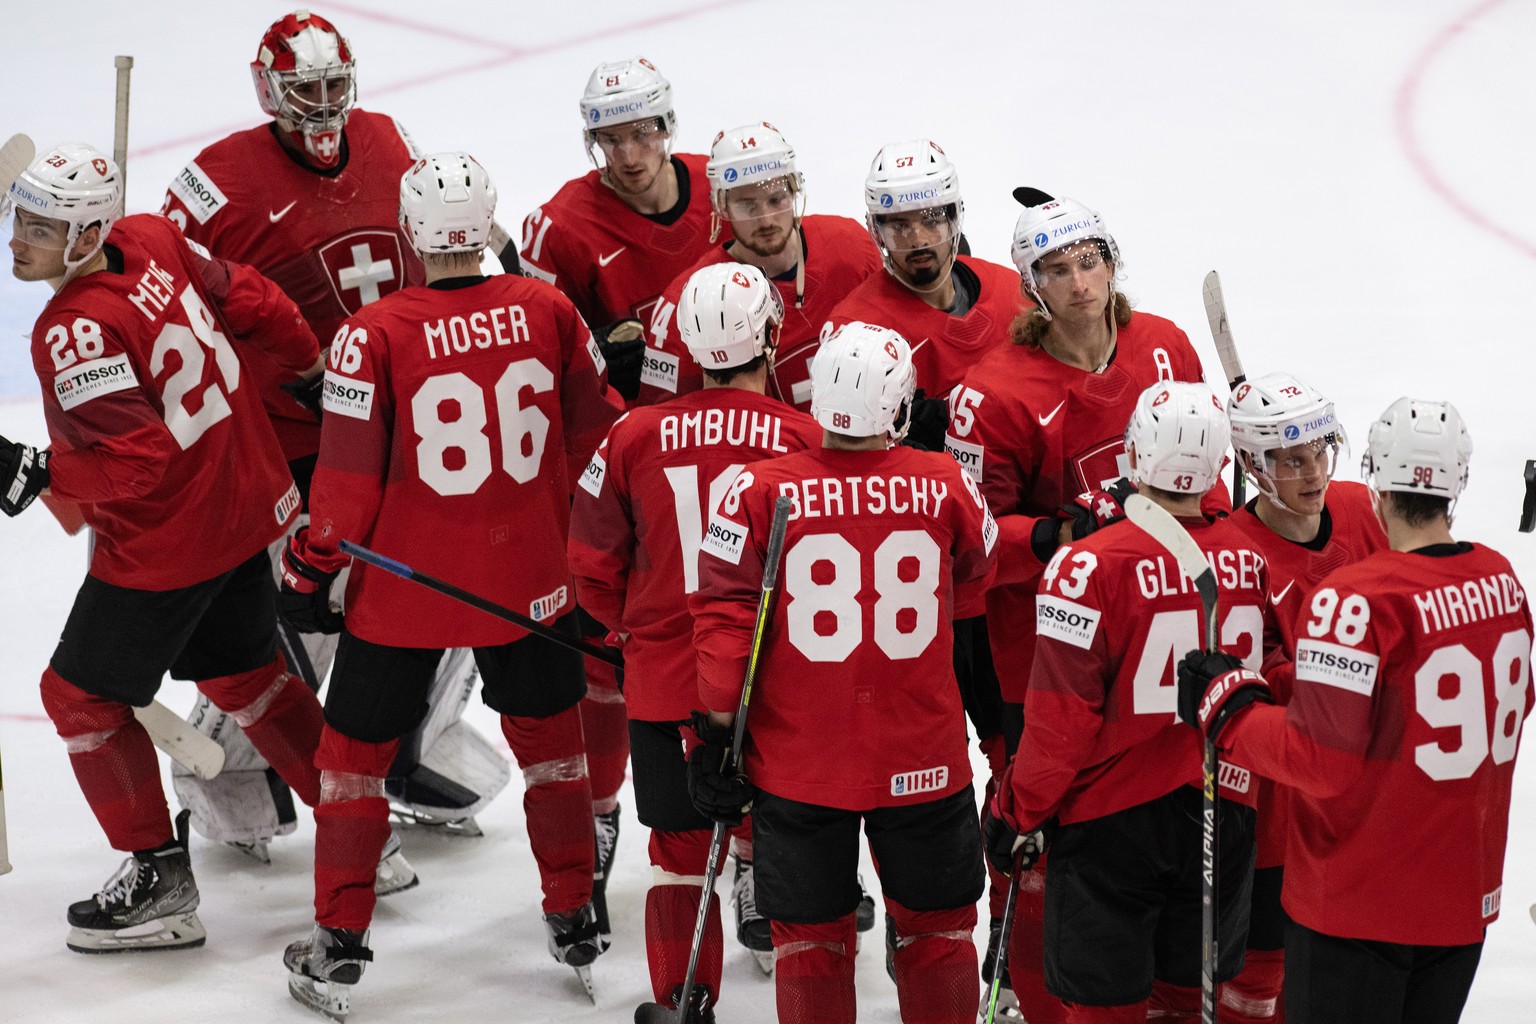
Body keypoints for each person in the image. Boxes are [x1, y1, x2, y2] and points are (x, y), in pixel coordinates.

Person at [277, 153, 623, 1019]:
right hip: (530, 580)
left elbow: (346, 494)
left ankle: (340, 939)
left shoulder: (373, 333)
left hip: (408, 589)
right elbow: (599, 444)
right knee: (553, 747)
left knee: (350, 764)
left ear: (411, 232)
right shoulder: (549, 310)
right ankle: (576, 913)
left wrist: (310, 569)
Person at [161, 9, 500, 856]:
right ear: (267, 88)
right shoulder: (216, 178)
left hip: (407, 422)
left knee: (450, 583)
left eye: (330, 84)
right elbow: (164, 291)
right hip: (294, 442)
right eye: (300, 88)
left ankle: (408, 745)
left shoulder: (390, 139)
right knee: (307, 610)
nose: (319, 103)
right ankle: (236, 771)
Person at [2, 142, 327, 952]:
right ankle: (361, 822)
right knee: (244, 673)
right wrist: (307, 362)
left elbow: (136, 464)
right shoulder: (153, 234)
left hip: (169, 545)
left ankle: (158, 879)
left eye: (40, 228)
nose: (17, 241)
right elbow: (249, 295)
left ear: (84, 239)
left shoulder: (71, 330)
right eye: (19, 219)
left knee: (77, 697)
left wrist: (38, 472)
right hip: (245, 504)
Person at [943, 190, 1222, 1022]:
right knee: (1035, 825)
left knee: (1151, 822)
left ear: (1112, 262)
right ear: (1031, 286)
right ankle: (1027, 991)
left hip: (1152, 638)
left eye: (1090, 262)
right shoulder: (990, 391)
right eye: (1056, 270)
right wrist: (1055, 534)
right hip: (1040, 650)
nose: (1079, 284)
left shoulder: (1166, 347)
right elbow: (970, 540)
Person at [1178, 397, 1533, 1024]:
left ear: (1375, 481)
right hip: (1462, 899)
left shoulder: (1354, 597)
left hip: (1359, 901)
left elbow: (1318, 763)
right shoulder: (1503, 580)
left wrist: (1229, 707)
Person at [688, 322, 996, 1024]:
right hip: (922, 756)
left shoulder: (757, 489)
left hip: (797, 762)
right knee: (939, 931)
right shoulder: (947, 482)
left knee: (810, 942)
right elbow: (979, 577)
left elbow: (725, 624)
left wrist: (714, 729)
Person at [568, 263, 820, 1018]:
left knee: (678, 854)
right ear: (772, 336)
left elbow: (591, 561)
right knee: (792, 838)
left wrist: (632, 631)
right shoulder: (807, 437)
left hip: (667, 679)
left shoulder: (632, 434)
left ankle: (684, 999)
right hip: (782, 683)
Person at [983, 380, 1265, 1022]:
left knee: (1104, 1009)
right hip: (1221, 816)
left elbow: (1060, 724)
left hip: (1112, 826)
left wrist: (1016, 809)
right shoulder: (1248, 561)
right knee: (1185, 1004)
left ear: (1135, 453)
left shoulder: (1085, 566)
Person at [521, 56, 721, 927]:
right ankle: (602, 814)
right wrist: (606, 347)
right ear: (590, 140)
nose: (631, 153)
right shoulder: (561, 226)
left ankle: (752, 847)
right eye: (611, 137)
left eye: (643, 132)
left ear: (668, 128)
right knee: (611, 657)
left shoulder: (727, 188)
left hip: (730, 457)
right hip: (623, 464)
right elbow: (535, 352)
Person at [1220, 371, 1389, 1024]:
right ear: (1252, 466)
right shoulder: (1232, 552)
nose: (1313, 472)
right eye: (1291, 459)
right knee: (1262, 966)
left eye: (1320, 450)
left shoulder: (1358, 509)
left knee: (1342, 960)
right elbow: (1255, 684)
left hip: (1365, 789)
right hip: (1277, 797)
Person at [639, 122, 883, 411]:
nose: (766, 219)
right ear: (721, 206)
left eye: (776, 199)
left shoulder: (851, 245)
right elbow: (664, 418)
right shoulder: (687, 300)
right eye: (747, 205)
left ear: (795, 191)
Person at [826, 138, 1022, 450]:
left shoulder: (1012, 291)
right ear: (876, 232)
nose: (918, 240)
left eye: (931, 220)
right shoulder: (854, 327)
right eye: (900, 226)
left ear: (954, 218)